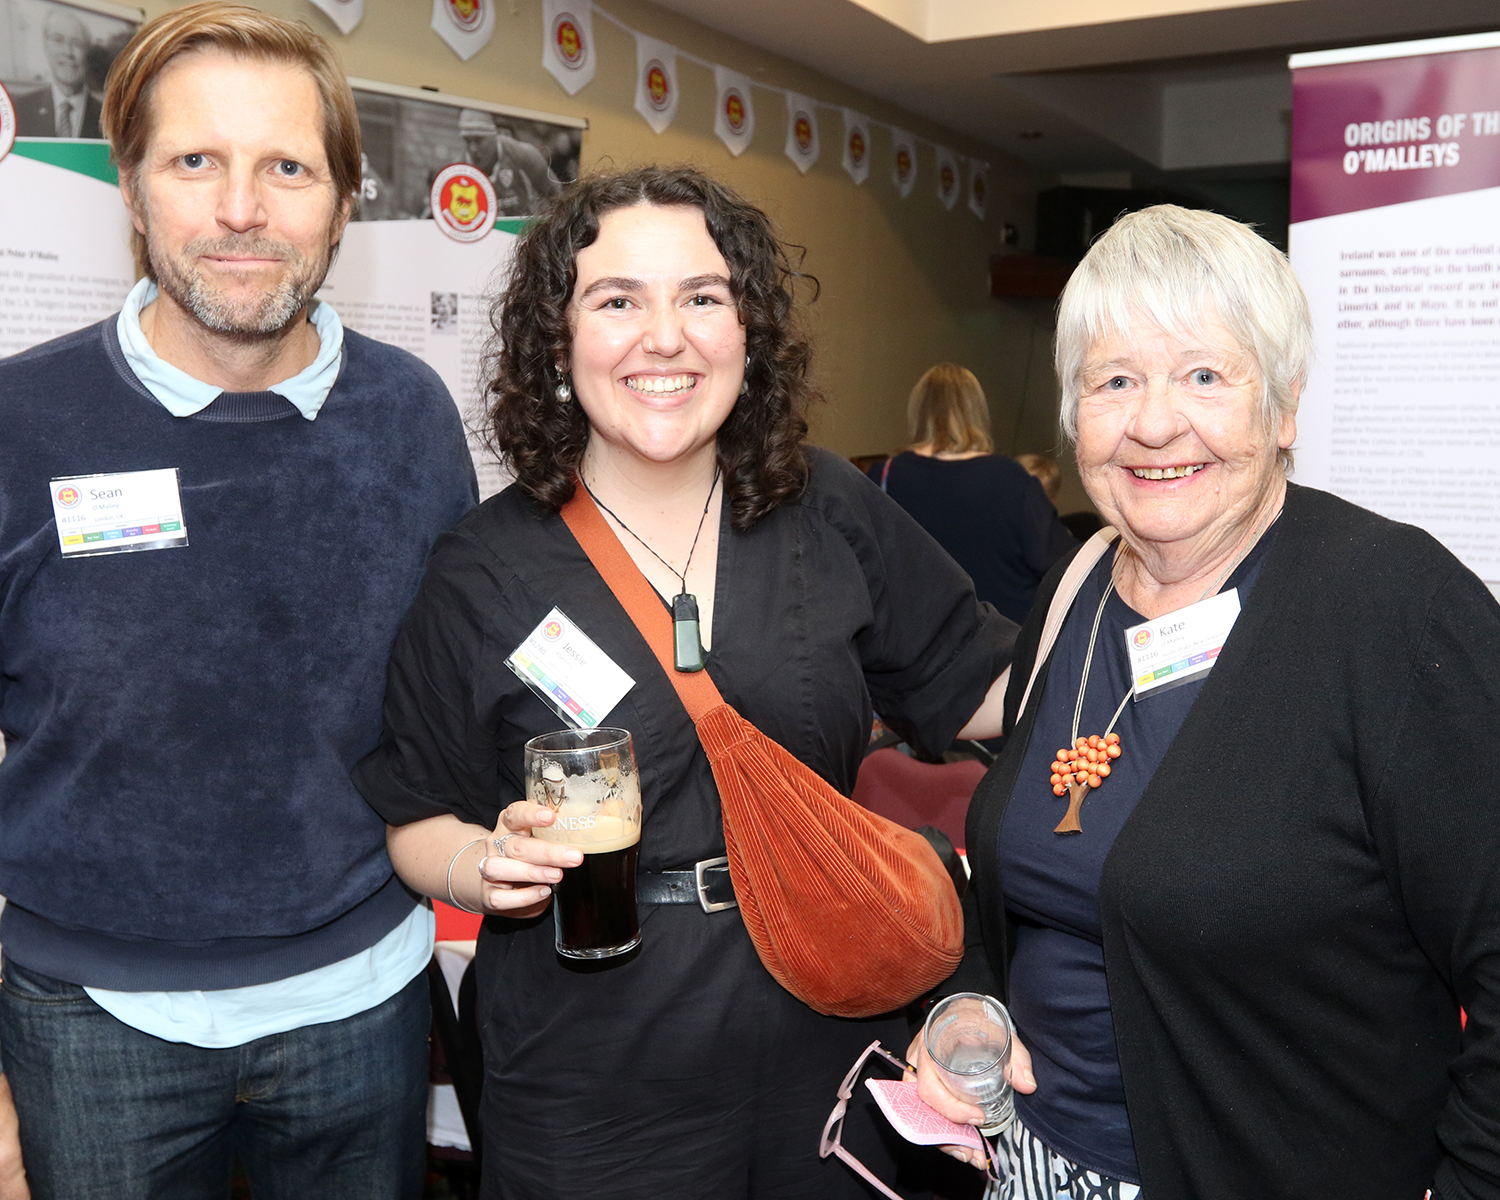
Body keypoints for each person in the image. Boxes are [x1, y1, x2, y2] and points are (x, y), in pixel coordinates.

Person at [352, 165, 1017, 1199]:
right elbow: (416, 818)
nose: (664, 337)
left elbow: (981, 683)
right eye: (617, 301)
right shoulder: (484, 571)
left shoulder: (825, 508)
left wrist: (1157, 621)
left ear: (747, 335)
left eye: (702, 297)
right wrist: (484, 865)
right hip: (590, 1071)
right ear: (558, 344)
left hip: (828, 1029)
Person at [913, 204, 1500, 1200]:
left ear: (1284, 407)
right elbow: (1032, 887)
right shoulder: (1077, 588)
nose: (1153, 423)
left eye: (1203, 376)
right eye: (1114, 381)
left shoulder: (1396, 608)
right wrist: (971, 1006)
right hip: (1028, 1167)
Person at [0, 5, 476, 1198]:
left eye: (288, 168)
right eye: (195, 161)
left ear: (345, 200)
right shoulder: (19, 423)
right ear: (131, 189)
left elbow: (453, 696)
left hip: (364, 1002)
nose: (241, 209)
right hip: (89, 1024)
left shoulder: (413, 418)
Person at [870, 364, 1075, 624]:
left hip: (919, 638)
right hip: (1003, 638)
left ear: (918, 412)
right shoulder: (1009, 477)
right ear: (976, 411)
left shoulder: (885, 477)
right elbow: (1064, 565)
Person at [12, 8, 103, 139]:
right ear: (46, 46)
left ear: (88, 52)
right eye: (58, 40)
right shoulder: (19, 110)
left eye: (77, 43)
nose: (68, 52)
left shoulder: (108, 117)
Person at [457, 106, 560, 219]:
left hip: (526, 226)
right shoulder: (458, 171)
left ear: (494, 135)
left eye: (479, 140)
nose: (473, 149)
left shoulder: (524, 155)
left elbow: (558, 197)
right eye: (467, 141)